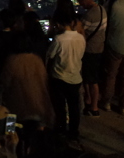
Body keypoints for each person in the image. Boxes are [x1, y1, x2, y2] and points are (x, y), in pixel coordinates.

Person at [46, 9, 85, 144]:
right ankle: (74, 132)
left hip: (59, 77)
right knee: (74, 107)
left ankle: (61, 130)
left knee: (60, 107)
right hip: (75, 77)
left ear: (59, 23)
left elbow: (50, 57)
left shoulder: (59, 39)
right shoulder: (81, 38)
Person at [74, 0, 107, 116]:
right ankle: (90, 101)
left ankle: (94, 107)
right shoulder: (101, 9)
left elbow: (79, 32)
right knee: (90, 78)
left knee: (92, 80)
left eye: (79, 1)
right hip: (99, 48)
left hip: (90, 50)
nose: (80, 4)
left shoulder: (89, 15)